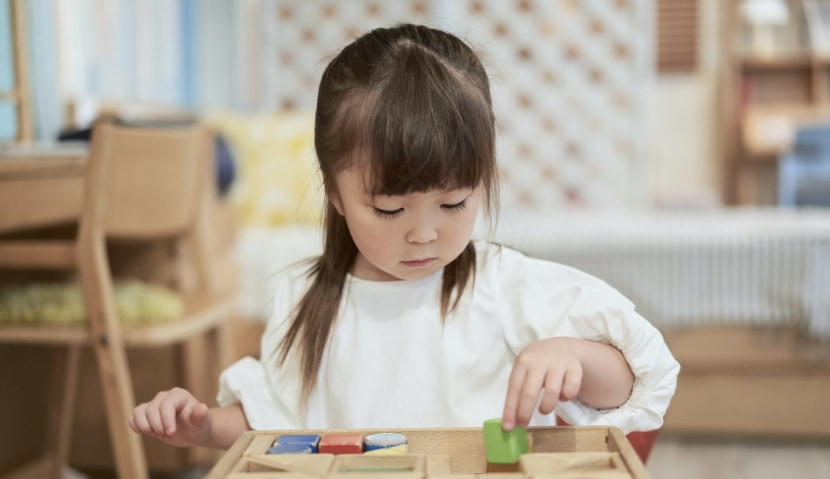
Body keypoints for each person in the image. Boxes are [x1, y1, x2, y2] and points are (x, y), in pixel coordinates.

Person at [130, 23, 679, 451]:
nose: (424, 234)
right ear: (336, 194)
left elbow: (636, 380)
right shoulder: (303, 298)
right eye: (389, 208)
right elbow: (274, 418)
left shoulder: (506, 286)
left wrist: (574, 357)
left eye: (454, 202)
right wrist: (201, 428)